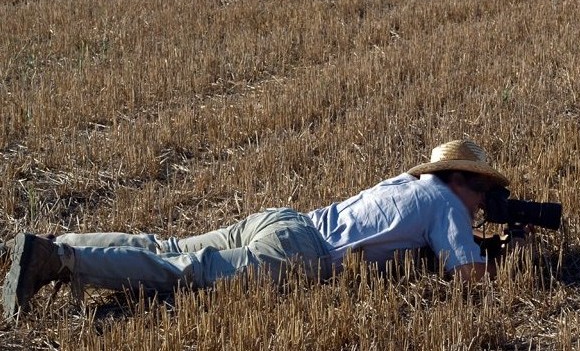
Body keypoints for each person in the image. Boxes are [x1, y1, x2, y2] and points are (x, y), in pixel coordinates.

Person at [1, 140, 528, 319]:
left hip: (288, 220)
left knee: (170, 247)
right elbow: (470, 283)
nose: (484, 201)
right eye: (481, 190)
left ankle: (55, 246)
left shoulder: (410, 185)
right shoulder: (449, 207)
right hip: (300, 253)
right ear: (458, 179)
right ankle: (61, 264)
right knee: (181, 270)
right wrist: (503, 257)